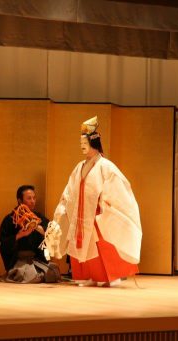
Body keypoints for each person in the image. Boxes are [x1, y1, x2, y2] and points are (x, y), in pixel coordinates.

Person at [52, 116, 142, 287]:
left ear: (93, 143)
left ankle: (108, 276)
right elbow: (70, 189)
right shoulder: (79, 166)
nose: (82, 147)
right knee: (82, 248)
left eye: (84, 144)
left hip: (97, 215)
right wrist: (64, 204)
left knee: (101, 248)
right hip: (81, 215)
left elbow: (118, 190)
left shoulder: (106, 166)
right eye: (80, 144)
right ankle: (88, 276)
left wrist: (104, 204)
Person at [0, 185, 58, 283]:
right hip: (18, 260)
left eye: (34, 198)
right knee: (30, 276)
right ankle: (14, 273)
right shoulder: (10, 219)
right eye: (29, 198)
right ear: (20, 200)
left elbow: (51, 231)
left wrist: (36, 226)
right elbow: (3, 243)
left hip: (36, 258)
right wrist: (20, 235)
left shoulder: (38, 217)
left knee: (53, 272)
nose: (33, 201)